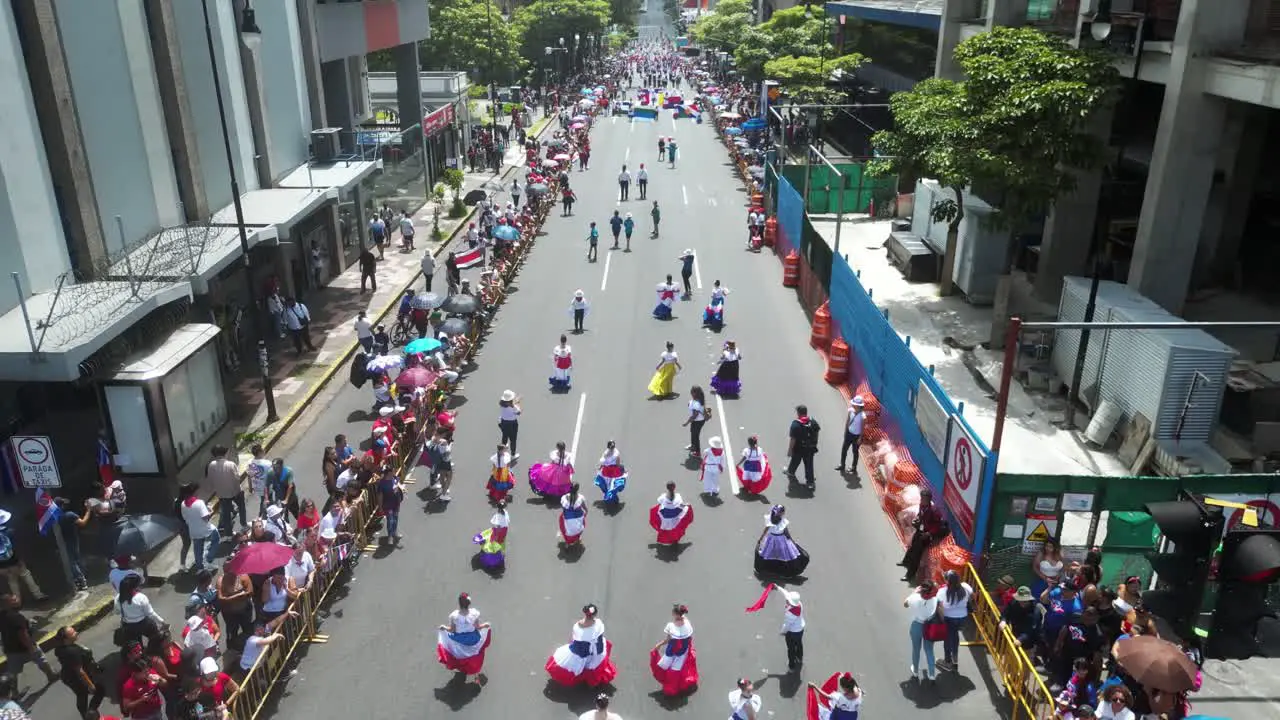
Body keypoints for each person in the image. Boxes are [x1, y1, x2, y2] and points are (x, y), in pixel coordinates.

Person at [546, 604, 617, 687]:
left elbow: (575, 639)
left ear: (585, 613)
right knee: (594, 664)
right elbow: (599, 642)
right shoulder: (599, 624)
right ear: (595, 614)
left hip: (579, 651)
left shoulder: (577, 626)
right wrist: (599, 653)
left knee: (576, 665)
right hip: (594, 650)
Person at [437, 592, 492, 682]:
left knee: (459, 655)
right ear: (469, 603)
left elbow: (452, 630)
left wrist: (444, 628)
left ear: (459, 603)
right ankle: (476, 674)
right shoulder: (474, 613)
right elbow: (477, 627)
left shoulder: (454, 616)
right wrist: (485, 625)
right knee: (474, 655)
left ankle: (462, 668)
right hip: (473, 639)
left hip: (459, 640)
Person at [899, 489, 949, 582]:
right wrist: (916, 519)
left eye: (923, 498)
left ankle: (910, 575)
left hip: (927, 535)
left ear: (928, 499)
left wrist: (928, 534)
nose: (921, 499)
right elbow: (920, 515)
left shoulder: (934, 511)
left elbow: (937, 526)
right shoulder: (922, 505)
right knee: (912, 547)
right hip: (920, 530)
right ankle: (905, 562)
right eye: (921, 497)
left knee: (916, 555)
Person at [650, 603, 698, 696]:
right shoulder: (687, 624)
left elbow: (667, 640)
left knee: (662, 667)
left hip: (671, 652)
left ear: (675, 614)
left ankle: (667, 686)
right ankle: (673, 688)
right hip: (682, 653)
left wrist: (658, 645)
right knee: (674, 672)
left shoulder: (670, 626)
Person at [938, 570, 974, 672]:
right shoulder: (966, 587)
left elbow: (940, 608)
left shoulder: (942, 591)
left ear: (947, 581)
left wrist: (942, 620)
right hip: (962, 618)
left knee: (948, 639)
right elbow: (972, 596)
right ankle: (955, 659)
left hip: (949, 619)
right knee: (954, 636)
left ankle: (948, 662)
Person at [905, 580, 941, 681]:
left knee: (916, 649)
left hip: (916, 625)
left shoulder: (914, 598)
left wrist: (914, 592)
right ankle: (932, 674)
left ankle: (915, 671)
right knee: (929, 650)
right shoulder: (935, 600)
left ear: (921, 589)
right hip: (929, 627)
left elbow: (905, 604)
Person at [785, 405, 821, 489]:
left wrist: (790, 450)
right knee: (809, 464)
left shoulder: (796, 424)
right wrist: (815, 444)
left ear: (798, 413)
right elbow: (817, 432)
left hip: (798, 448)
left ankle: (790, 472)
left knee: (795, 460)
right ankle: (810, 482)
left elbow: (793, 439)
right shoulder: (813, 422)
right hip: (810, 448)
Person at [837, 396, 868, 477]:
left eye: (855, 405)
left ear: (859, 406)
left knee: (855, 452)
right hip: (849, 434)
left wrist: (860, 438)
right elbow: (847, 421)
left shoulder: (863, 416)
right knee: (844, 449)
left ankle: (853, 467)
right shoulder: (850, 410)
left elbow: (863, 428)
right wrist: (845, 431)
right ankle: (842, 464)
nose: (853, 406)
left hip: (856, 436)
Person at [473, 501, 510, 568]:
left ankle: (492, 560)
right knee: (502, 542)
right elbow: (507, 523)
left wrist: (494, 536)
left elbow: (497, 527)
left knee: (493, 544)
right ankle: (502, 553)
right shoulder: (506, 513)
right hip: (504, 531)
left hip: (498, 532)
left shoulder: (497, 516)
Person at [684, 386, 709, 454]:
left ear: (694, 393)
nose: (690, 393)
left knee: (695, 436)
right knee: (693, 433)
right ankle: (693, 446)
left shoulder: (696, 403)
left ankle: (697, 452)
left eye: (691, 391)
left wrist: (687, 422)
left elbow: (694, 416)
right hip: (699, 421)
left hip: (698, 422)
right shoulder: (699, 400)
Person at [498, 390, 521, 459]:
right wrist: (518, 403)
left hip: (503, 422)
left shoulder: (501, 404)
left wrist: (515, 402)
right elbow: (519, 412)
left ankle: (503, 451)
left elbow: (510, 405)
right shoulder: (514, 407)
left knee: (504, 436)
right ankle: (513, 455)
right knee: (513, 440)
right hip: (512, 424)